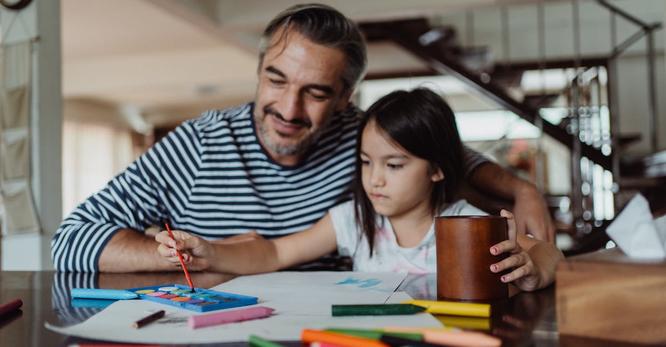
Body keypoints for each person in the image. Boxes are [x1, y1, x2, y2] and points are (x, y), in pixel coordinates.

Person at [52, 4, 554, 273]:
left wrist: (522, 189)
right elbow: (69, 242)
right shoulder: (198, 144)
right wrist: (185, 254)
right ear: (259, 70)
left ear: (344, 97)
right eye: (276, 81)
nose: (289, 111)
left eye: (315, 93)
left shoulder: (361, 134)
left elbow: (444, 154)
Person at [155, 88, 563, 291]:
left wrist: (534, 270)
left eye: (394, 165)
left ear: (437, 169)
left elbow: (548, 252)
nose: (375, 179)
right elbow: (277, 251)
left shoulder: (463, 224)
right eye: (366, 162)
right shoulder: (353, 218)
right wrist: (211, 251)